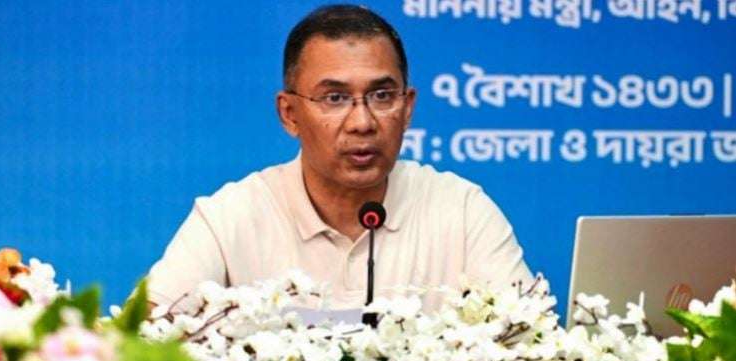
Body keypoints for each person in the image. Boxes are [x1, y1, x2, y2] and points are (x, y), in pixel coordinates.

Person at [147, 4, 532, 312]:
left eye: (382, 96)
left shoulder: (461, 210)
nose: (362, 122)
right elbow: (147, 339)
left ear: (408, 107)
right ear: (289, 114)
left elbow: (529, 343)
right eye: (334, 98)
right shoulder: (231, 216)